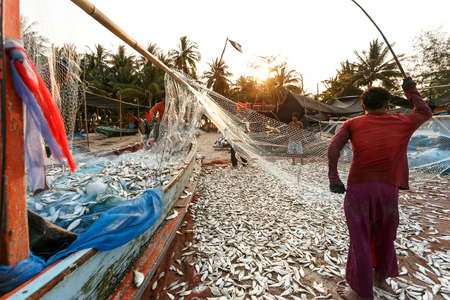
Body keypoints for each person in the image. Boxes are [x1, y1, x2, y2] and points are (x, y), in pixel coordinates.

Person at [327, 77, 432, 300]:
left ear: (362, 106)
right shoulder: (402, 120)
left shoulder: (351, 123)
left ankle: (362, 293)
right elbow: (425, 112)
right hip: (388, 191)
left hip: (359, 189)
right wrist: (410, 91)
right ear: (387, 105)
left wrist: (334, 177)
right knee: (385, 236)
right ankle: (380, 278)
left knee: (361, 240)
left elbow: (334, 146)